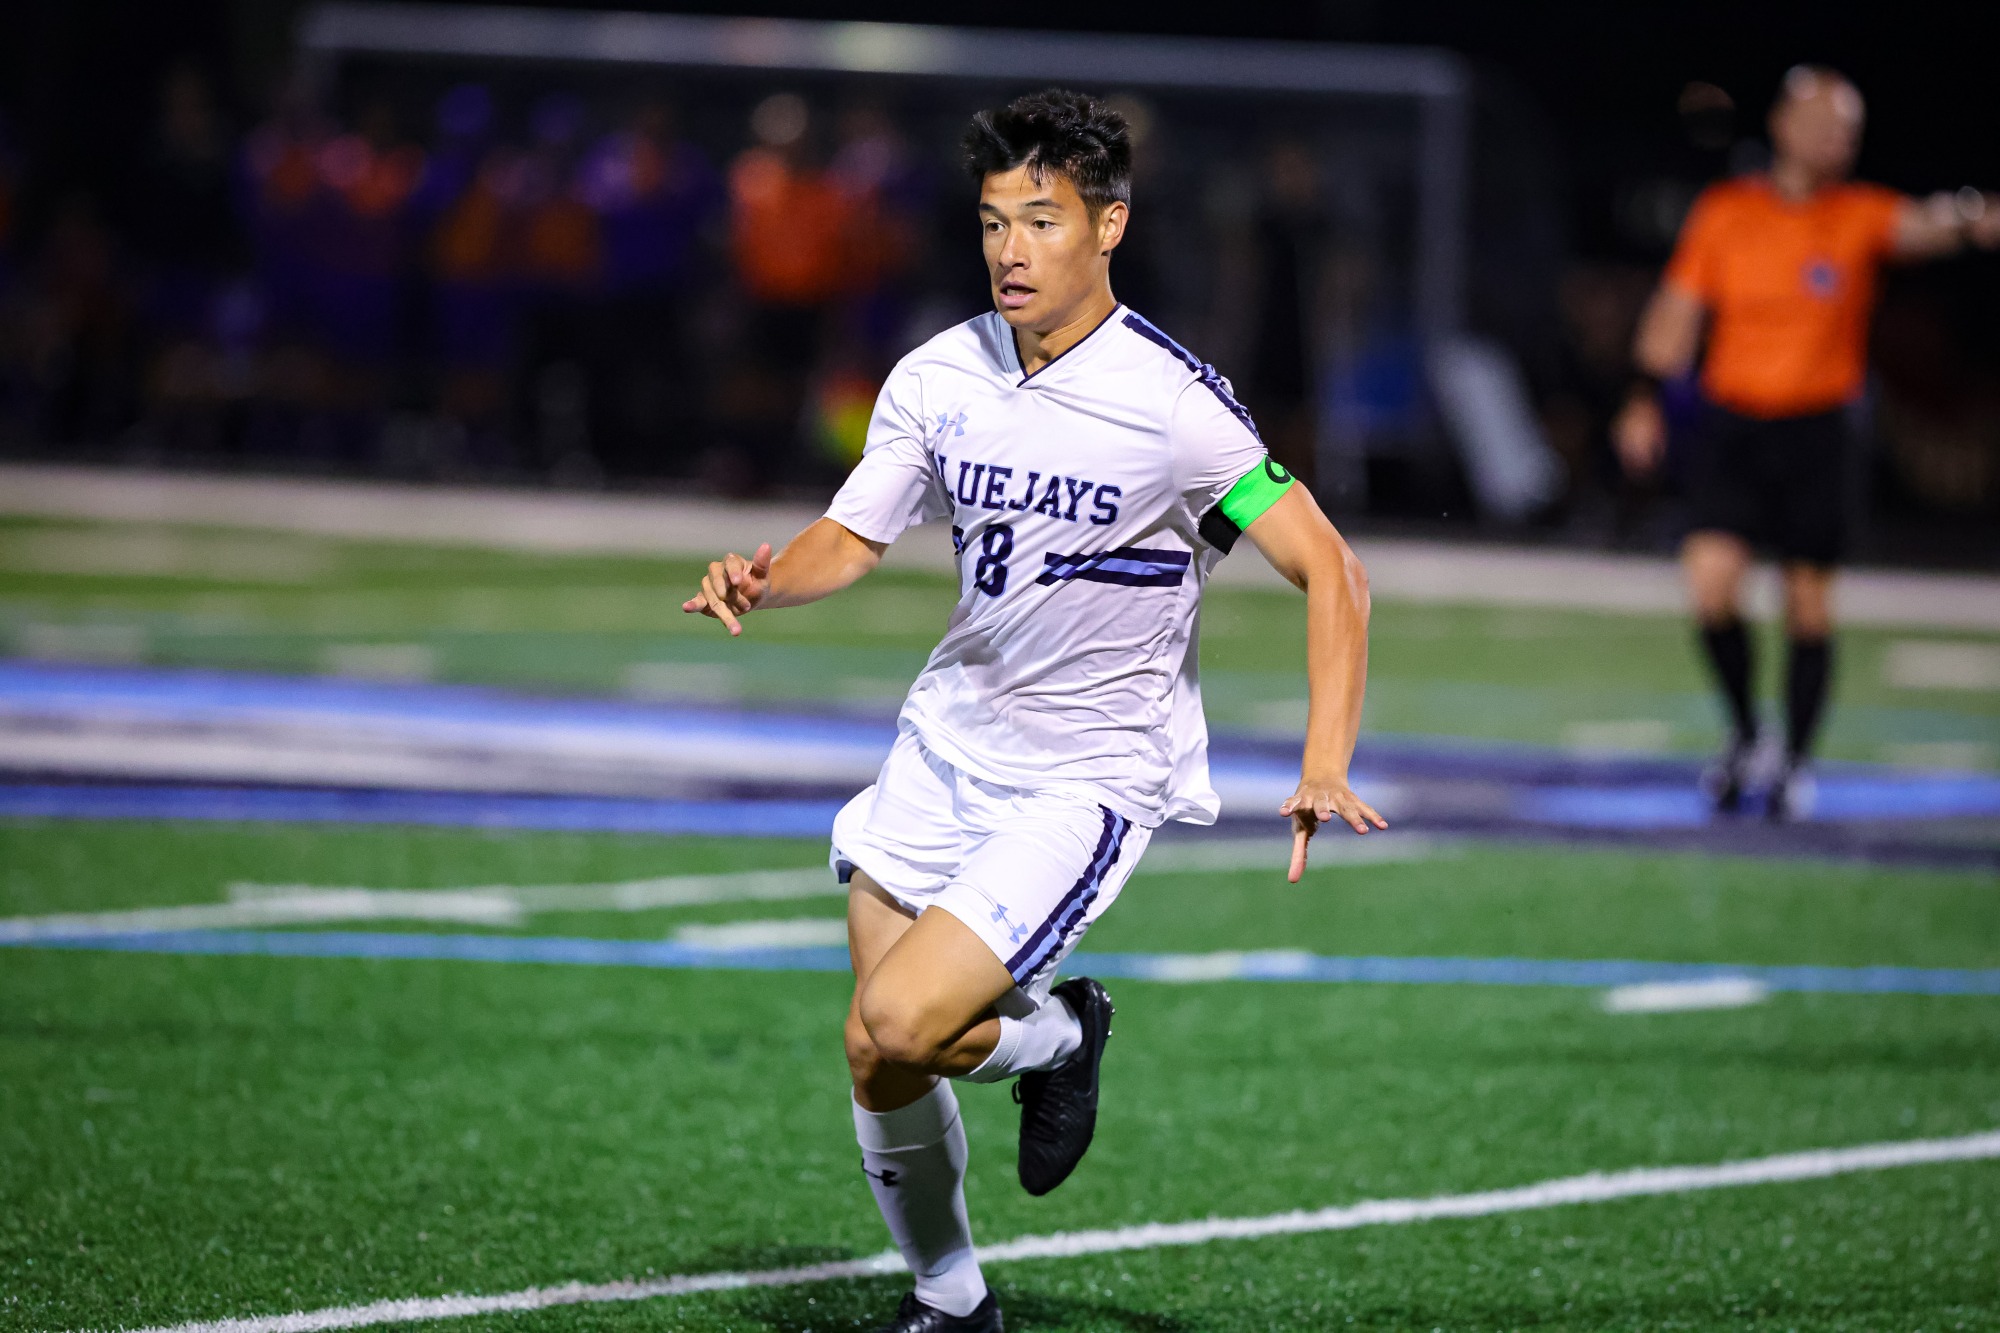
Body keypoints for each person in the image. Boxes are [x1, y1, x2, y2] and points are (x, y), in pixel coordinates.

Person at [684, 89, 1383, 1333]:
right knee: (879, 1051)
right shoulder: (939, 371)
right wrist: (762, 578)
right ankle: (953, 1302)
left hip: (1084, 777)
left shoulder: (1171, 405)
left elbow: (1329, 566)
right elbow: (852, 537)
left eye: (1042, 220)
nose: (1010, 247)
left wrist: (1322, 758)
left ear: (1108, 227)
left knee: (901, 1014)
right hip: (945, 741)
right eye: (994, 220)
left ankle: (1057, 1038)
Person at [1615, 65, 2000, 819]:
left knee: (1808, 605)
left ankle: (1793, 760)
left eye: (1850, 129)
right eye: (1826, 123)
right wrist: (1642, 398)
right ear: (1787, 127)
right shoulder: (1728, 211)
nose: (1839, 140)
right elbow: (1678, 309)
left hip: (1819, 432)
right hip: (1735, 425)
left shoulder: (1858, 213)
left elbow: (1929, 224)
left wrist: (1970, 216)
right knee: (1712, 584)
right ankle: (1745, 732)